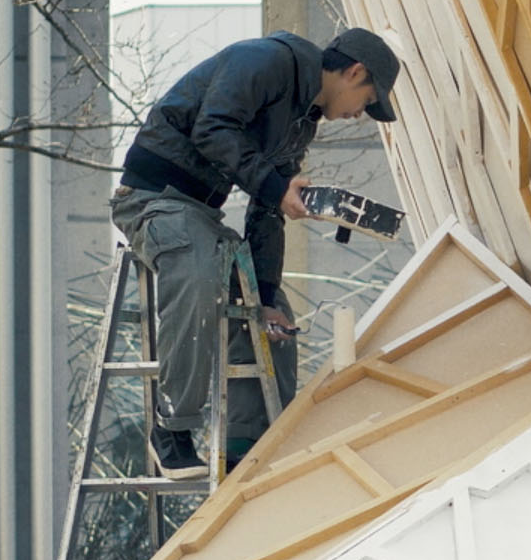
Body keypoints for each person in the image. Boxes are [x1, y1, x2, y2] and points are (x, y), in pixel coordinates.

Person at [111, 27, 402, 481]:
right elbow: (213, 129)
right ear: (355, 71)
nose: (358, 115)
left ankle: (246, 455)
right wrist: (273, 184)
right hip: (152, 199)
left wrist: (265, 295)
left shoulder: (301, 121)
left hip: (200, 214)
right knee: (198, 264)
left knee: (273, 322)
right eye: (366, 101)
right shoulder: (266, 61)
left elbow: (269, 209)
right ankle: (173, 428)